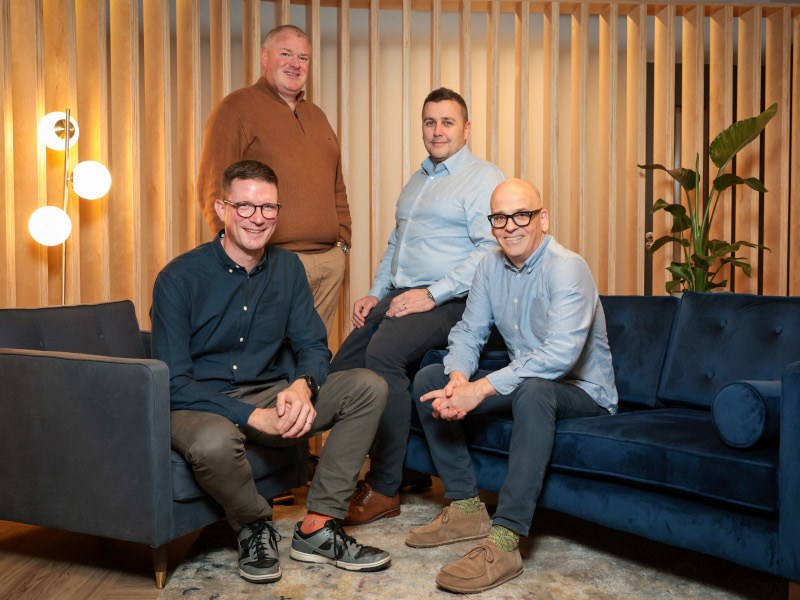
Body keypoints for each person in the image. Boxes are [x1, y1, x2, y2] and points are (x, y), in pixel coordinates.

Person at [152, 160, 390, 584]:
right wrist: (249, 416)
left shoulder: (287, 268)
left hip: (270, 392)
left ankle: (318, 526)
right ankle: (254, 524)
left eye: (268, 208)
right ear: (221, 208)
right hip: (199, 403)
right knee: (213, 440)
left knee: (367, 386)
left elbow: (313, 344)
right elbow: (173, 383)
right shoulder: (178, 278)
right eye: (245, 207)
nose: (258, 218)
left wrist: (303, 384)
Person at [407, 178, 618, 593]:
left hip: (582, 392)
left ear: (543, 218)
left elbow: (559, 357)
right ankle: (467, 507)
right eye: (500, 217)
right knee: (429, 379)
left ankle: (505, 540)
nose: (510, 226)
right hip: (524, 384)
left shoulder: (568, 267)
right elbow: (469, 332)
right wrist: (457, 379)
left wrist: (480, 390)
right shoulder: (489, 265)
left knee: (535, 387)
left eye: (521, 214)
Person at [330, 88, 505, 526]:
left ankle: (385, 486)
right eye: (430, 122)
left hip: (454, 300)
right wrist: (375, 291)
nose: (437, 130)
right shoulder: (418, 180)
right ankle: (402, 471)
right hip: (403, 293)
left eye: (448, 122)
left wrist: (432, 294)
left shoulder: (483, 178)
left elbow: (489, 250)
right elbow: (397, 243)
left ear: (466, 129)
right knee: (341, 366)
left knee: (382, 355)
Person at [196, 25, 350, 333]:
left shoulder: (317, 115)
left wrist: (343, 242)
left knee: (312, 355)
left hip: (328, 263)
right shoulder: (236, 108)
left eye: (303, 57)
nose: (296, 63)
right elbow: (213, 186)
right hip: (274, 262)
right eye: (286, 54)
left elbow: (336, 184)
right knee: (268, 356)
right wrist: (239, 255)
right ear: (265, 57)